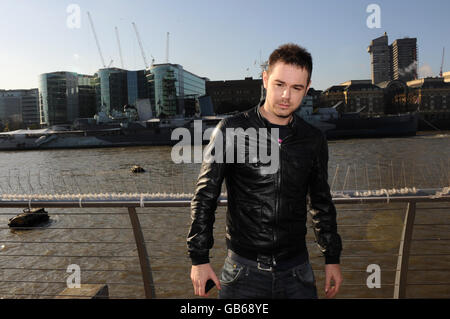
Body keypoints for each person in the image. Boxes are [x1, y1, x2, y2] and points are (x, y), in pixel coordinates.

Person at [187, 43, 343, 299]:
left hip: (297, 272)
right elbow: (205, 195)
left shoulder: (313, 139)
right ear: (265, 79)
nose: (286, 96)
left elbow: (321, 202)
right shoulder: (231, 130)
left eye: (296, 88)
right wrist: (199, 258)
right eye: (280, 84)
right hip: (243, 272)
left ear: (307, 88)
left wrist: (332, 258)